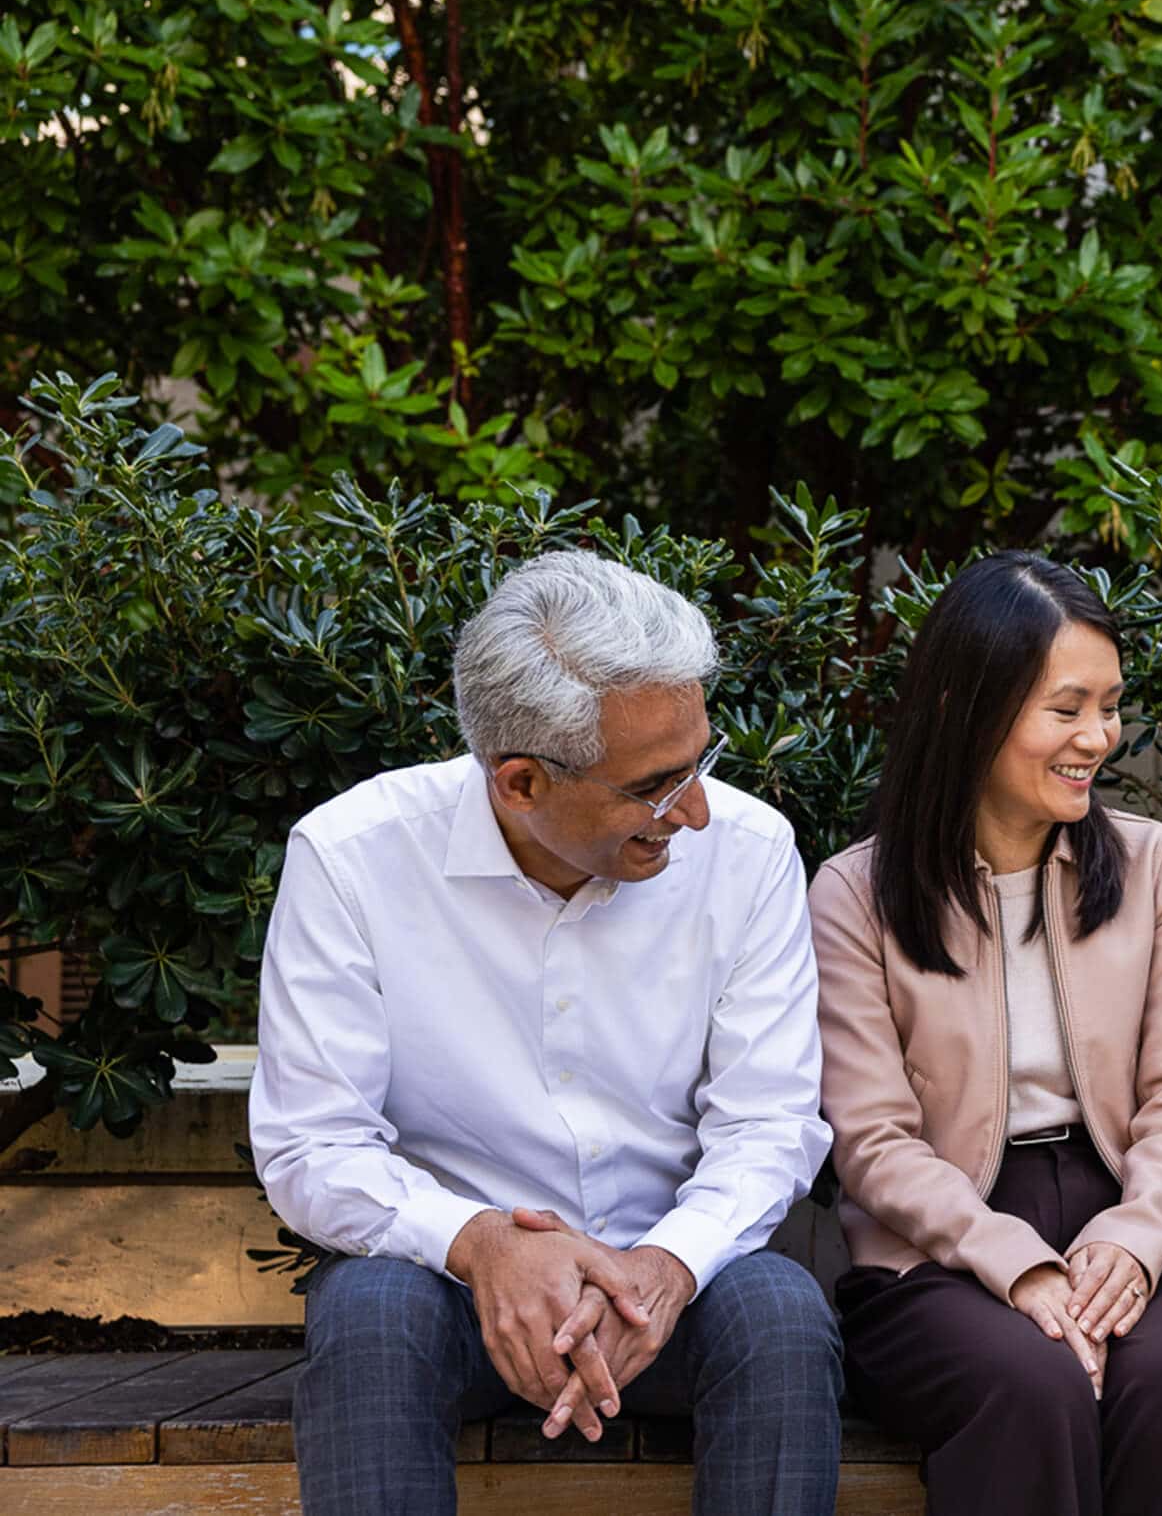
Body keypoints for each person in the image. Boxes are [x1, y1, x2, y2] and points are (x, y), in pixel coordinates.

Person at [249, 550, 840, 1516]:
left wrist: (665, 1264)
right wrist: (481, 1243)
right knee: (367, 1313)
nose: (692, 811)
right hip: (454, 1296)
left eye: (702, 762)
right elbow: (313, 1143)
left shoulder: (748, 849)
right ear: (519, 782)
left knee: (778, 1311)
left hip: (670, 1285)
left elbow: (768, 1124)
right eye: (654, 785)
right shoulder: (352, 857)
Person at [810, 550, 1162, 1516]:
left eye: (1111, 704)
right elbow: (873, 1140)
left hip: (1126, 1210)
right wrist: (1016, 1262)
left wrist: (1137, 1235)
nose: (1098, 736)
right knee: (1031, 1381)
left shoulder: (1153, 865)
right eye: (1066, 708)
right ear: (970, 706)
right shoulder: (855, 895)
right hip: (935, 1245)